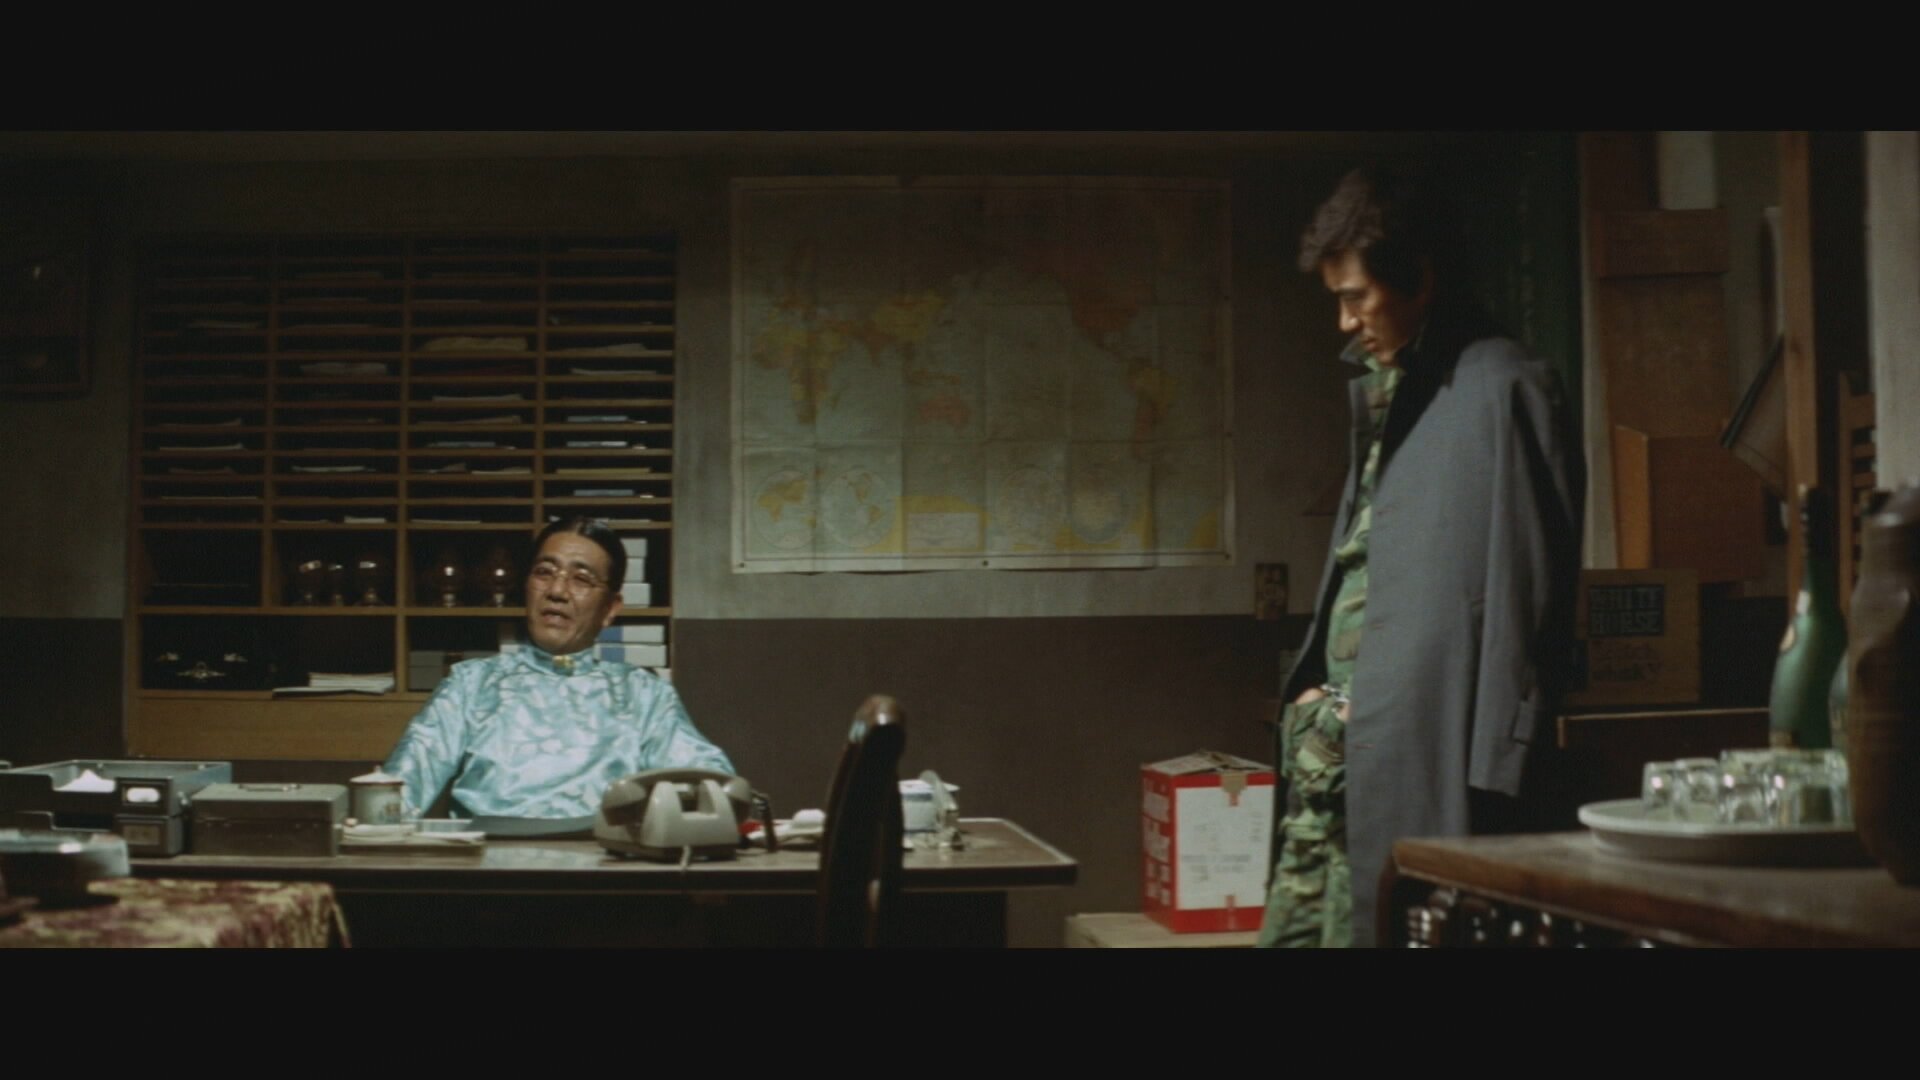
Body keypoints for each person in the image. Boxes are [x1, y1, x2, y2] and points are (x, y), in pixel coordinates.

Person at [1257, 166, 1584, 948]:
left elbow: (1527, 597)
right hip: (1336, 760)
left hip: (1421, 753)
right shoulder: (1397, 388)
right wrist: (1316, 699)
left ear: (1421, 277)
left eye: (1356, 297)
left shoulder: (1504, 388)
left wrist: (1498, 769)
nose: (1344, 321)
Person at [383, 516, 733, 820]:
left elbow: (715, 787)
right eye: (544, 573)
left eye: (581, 579)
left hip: (608, 865)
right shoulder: (471, 684)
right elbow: (396, 792)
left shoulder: (643, 694)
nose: (557, 591)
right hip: (488, 865)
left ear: (610, 608)